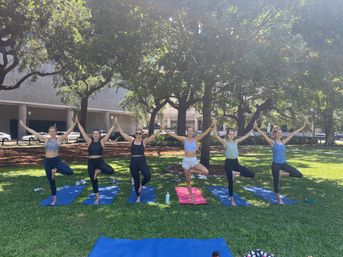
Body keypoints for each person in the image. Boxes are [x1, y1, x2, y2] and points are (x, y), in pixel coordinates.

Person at [19, 119, 76, 206]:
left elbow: (68, 132)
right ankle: (54, 200)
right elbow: (34, 132)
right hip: (48, 162)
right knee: (51, 181)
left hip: (56, 160)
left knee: (69, 172)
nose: (52, 133)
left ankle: (55, 170)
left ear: (56, 132)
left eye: (54, 131)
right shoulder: (45, 139)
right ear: (48, 132)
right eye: (50, 131)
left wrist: (75, 123)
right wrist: (24, 126)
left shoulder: (59, 139)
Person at [254, 120, 306, 204]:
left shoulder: (283, 142)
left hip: (283, 164)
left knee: (299, 174)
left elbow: (292, 133)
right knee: (276, 183)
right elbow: (263, 135)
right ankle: (279, 200)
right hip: (275, 165)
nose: (279, 134)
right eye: (277, 133)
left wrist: (302, 127)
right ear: (274, 134)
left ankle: (281, 173)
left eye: (280, 133)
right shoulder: (272, 142)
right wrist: (256, 127)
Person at [164, 121, 215, 204]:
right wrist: (164, 129)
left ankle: (193, 171)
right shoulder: (184, 139)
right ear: (187, 132)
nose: (190, 132)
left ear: (193, 132)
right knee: (188, 181)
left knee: (206, 172)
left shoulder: (196, 139)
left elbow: (205, 133)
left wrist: (211, 127)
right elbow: (174, 135)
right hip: (186, 161)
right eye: (189, 131)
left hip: (194, 161)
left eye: (191, 131)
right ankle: (192, 198)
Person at [114, 117, 161, 203]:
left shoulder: (144, 141)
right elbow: (122, 133)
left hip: (142, 161)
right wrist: (117, 124)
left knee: (147, 176)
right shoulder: (131, 140)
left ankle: (141, 185)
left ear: (142, 134)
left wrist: (160, 129)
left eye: (140, 133)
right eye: (137, 133)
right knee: (136, 179)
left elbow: (153, 136)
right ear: (135, 134)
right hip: (133, 161)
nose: (138, 134)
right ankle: (138, 196)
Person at [213, 121, 255, 206]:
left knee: (252, 174)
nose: (232, 135)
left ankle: (235, 173)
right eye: (230, 134)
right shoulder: (225, 142)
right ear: (227, 135)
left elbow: (246, 136)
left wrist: (253, 128)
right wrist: (214, 125)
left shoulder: (236, 141)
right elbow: (216, 135)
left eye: (233, 134)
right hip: (228, 163)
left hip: (236, 163)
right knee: (230, 183)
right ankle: (232, 200)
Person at [76, 116, 115, 204]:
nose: (95, 135)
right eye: (94, 133)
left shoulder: (102, 142)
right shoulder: (89, 141)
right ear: (92, 135)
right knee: (93, 180)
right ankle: (97, 197)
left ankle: (98, 171)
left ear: (99, 135)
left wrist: (113, 126)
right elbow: (83, 132)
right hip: (91, 163)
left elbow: (108, 134)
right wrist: (78, 123)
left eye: (97, 133)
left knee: (111, 171)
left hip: (100, 162)